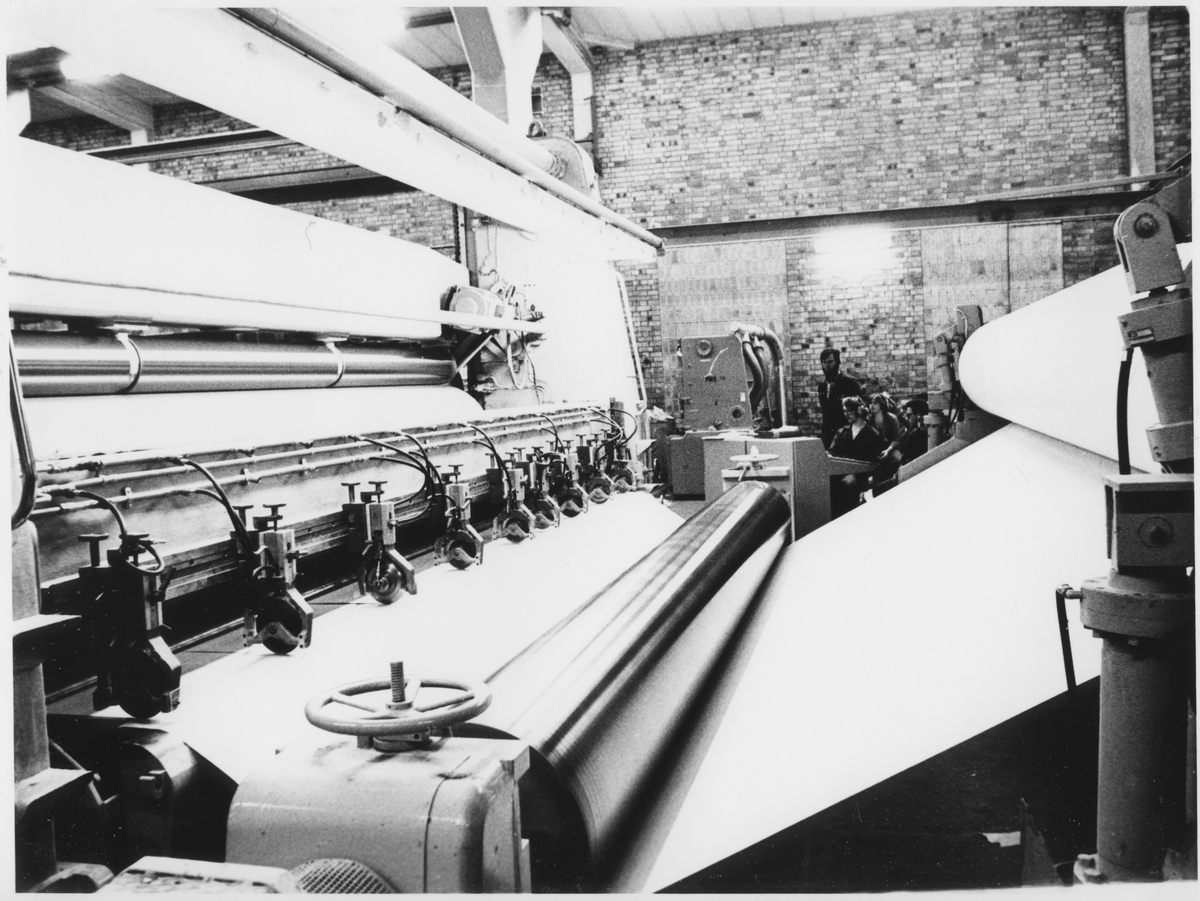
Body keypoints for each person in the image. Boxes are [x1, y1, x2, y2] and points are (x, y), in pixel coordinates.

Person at [828, 396, 884, 515]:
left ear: (859, 411)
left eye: (849, 411)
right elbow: (832, 452)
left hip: (861, 475)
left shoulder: (872, 434)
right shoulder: (842, 432)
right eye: (844, 411)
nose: (846, 414)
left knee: (848, 483)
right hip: (840, 471)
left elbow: (874, 461)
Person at [817, 348, 861, 449]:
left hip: (846, 435)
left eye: (830, 362)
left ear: (837, 362)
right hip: (828, 436)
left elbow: (857, 411)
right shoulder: (822, 387)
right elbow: (826, 413)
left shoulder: (849, 383)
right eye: (824, 362)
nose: (827, 365)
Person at [867, 393, 903, 496]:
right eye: (870, 403)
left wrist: (888, 450)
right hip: (876, 449)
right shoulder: (869, 420)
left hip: (891, 448)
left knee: (896, 459)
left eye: (875, 403)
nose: (872, 406)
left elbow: (897, 439)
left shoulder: (891, 418)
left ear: (881, 405)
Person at [899, 399, 930, 464]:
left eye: (909, 415)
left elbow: (904, 459)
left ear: (918, 415)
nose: (907, 419)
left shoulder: (916, 434)